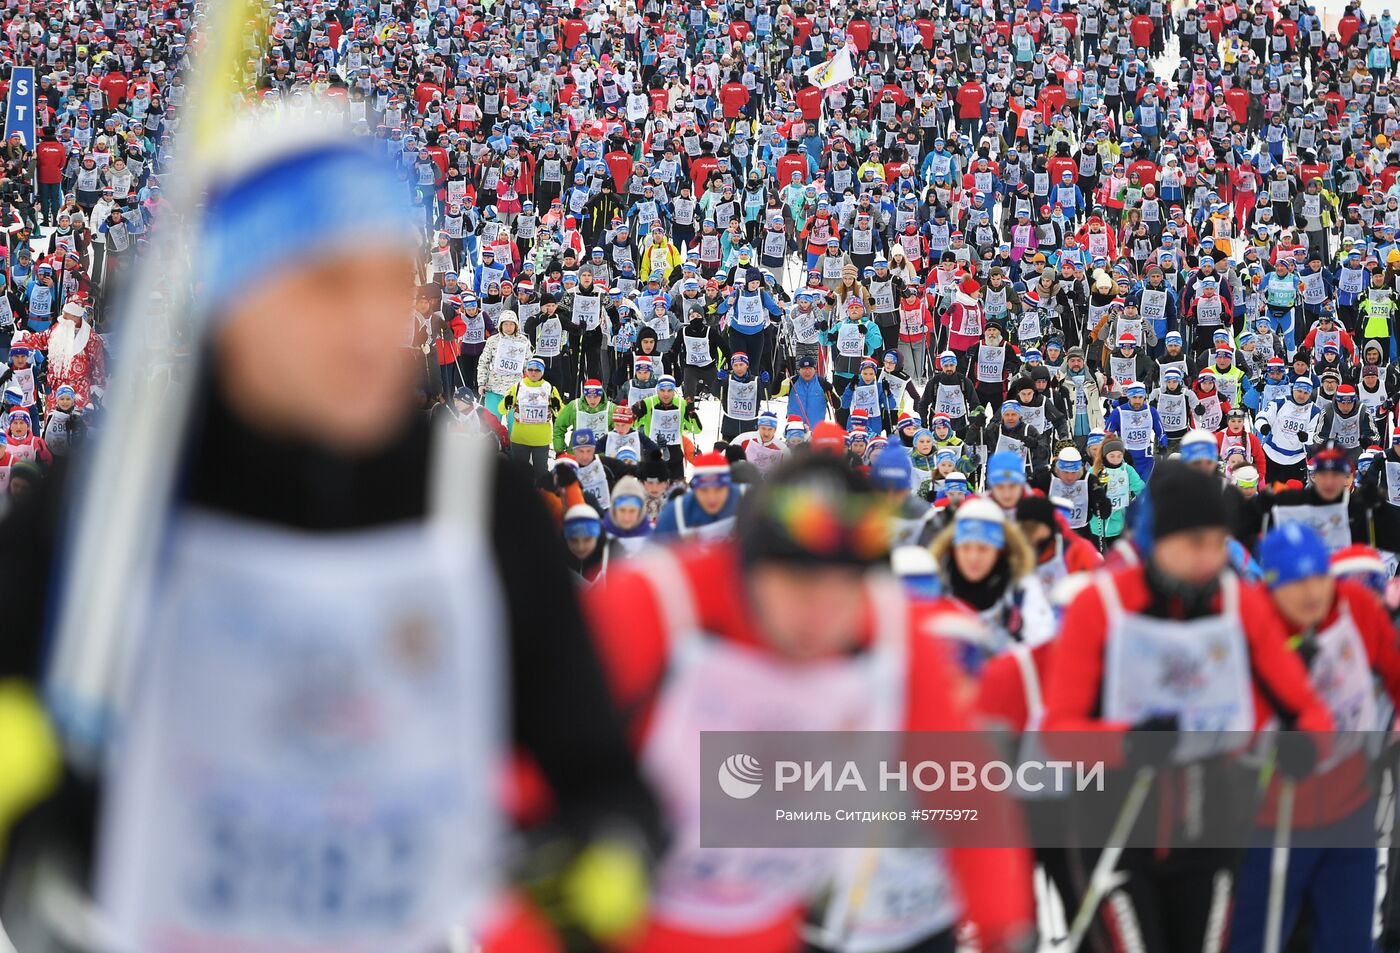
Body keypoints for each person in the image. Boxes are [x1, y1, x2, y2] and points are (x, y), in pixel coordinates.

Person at [0, 114, 662, 952]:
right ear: (234, 303)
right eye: (327, 286)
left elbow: (598, 772)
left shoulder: (467, 497)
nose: (369, 326)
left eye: (394, 283)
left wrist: (602, 859)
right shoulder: (121, 494)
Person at [585, 454, 1037, 953]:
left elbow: (964, 786)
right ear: (750, 567)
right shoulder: (657, 605)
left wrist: (1002, 927)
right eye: (799, 583)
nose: (822, 614)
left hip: (783, 925)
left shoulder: (889, 632)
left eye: (845, 587)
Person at [1045, 462, 1334, 953]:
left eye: (1218, 543)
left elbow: (1305, 708)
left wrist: (1304, 743)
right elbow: (1059, 733)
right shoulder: (1104, 607)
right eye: (1194, 544)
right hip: (1116, 829)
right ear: (1158, 541)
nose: (1209, 558)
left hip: (1211, 830)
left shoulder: (1237, 603)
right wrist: (1129, 743)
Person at [1228, 522, 1400, 953]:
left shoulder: (1356, 606)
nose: (1312, 592)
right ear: (1269, 586)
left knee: (1348, 937)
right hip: (1271, 816)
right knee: (1261, 938)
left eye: (1319, 576)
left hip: (1348, 806)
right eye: (1296, 582)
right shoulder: (1248, 624)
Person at [927, 496, 1058, 654]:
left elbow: (1042, 642)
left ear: (999, 551)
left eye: (983, 549)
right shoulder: (935, 586)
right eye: (965, 548)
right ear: (953, 549)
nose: (973, 558)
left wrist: (1020, 630)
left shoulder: (1020, 589)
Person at [651, 451, 741, 540]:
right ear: (695, 489)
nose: (712, 498)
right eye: (704, 490)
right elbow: (655, 550)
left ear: (729, 487)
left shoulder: (746, 500)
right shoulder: (676, 513)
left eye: (719, 490)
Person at [501, 356, 564, 476]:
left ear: (543, 372)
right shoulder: (518, 386)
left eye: (537, 370)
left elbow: (560, 413)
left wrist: (557, 405)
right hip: (520, 438)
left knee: (541, 474)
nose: (533, 373)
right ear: (526, 371)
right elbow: (502, 409)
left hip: (541, 439)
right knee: (519, 475)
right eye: (530, 370)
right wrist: (506, 402)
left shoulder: (549, 388)